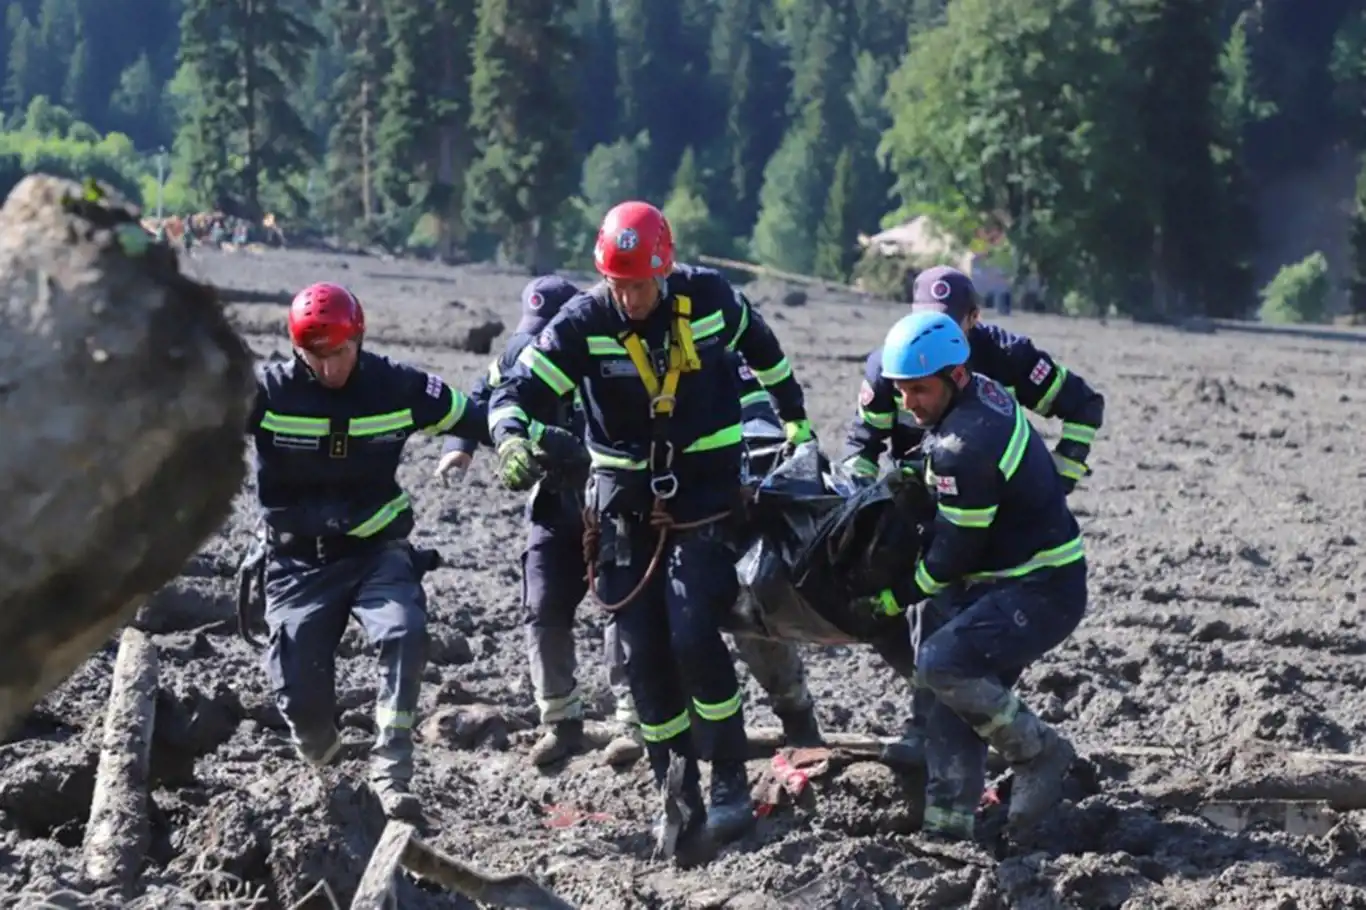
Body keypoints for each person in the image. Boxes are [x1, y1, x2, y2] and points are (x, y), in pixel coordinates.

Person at [486, 201, 815, 856]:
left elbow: (766, 351)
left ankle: (728, 782)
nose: (629, 296)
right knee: (641, 650)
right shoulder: (583, 321)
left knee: (693, 631)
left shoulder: (712, 299)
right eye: (617, 283)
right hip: (623, 504)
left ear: (664, 271)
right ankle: (675, 784)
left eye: (639, 284)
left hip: (705, 496)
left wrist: (796, 419)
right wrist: (508, 437)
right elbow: (517, 388)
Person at [247, 282, 489, 821]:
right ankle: (329, 768)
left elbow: (471, 415)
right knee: (301, 706)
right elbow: (190, 430)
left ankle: (391, 770)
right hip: (296, 562)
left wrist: (515, 441)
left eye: (341, 352)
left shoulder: (396, 386)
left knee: (404, 630)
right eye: (317, 356)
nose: (331, 367)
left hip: (376, 549)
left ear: (358, 338)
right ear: (297, 349)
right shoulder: (266, 393)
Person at [869, 309, 1085, 842]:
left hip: (1041, 586)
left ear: (955, 377)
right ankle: (948, 830)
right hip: (1007, 576)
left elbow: (951, 555)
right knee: (944, 685)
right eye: (900, 392)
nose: (908, 404)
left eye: (919, 390)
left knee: (943, 661)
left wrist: (894, 598)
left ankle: (1040, 753)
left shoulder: (962, 445)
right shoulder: (980, 393)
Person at [841, 266, 1104, 486]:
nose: (934, 335)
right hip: (918, 497)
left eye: (948, 325)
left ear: (974, 317)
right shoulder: (888, 367)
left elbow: (1083, 405)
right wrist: (860, 495)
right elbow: (862, 445)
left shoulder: (1009, 356)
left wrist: (1061, 477)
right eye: (925, 323)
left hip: (998, 501)